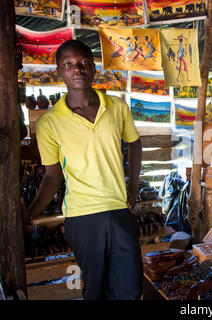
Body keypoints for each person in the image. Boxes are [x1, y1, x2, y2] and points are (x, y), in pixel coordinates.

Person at [27, 40, 143, 300]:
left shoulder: (116, 107)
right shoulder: (49, 122)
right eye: (68, 64)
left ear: (93, 68)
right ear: (60, 71)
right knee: (96, 290)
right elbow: (51, 176)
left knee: (131, 290)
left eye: (83, 63)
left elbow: (135, 143)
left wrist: (134, 186)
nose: (77, 69)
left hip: (119, 209)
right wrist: (30, 213)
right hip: (82, 217)